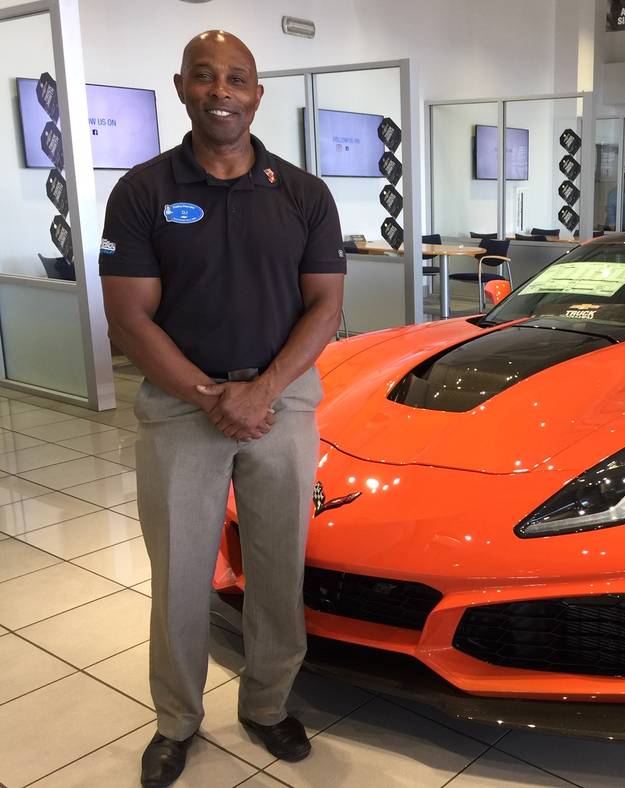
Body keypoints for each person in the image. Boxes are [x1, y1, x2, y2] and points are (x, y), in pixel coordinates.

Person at [99, 31, 346, 787]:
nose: (221, 91)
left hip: (283, 403)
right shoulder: (141, 192)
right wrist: (211, 396)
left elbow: (327, 305)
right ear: (181, 88)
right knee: (179, 573)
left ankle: (268, 705)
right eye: (204, 77)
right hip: (182, 408)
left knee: (278, 567)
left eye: (236, 78)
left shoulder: (303, 193)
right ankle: (176, 721)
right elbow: (130, 320)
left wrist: (263, 391)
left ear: (257, 93)